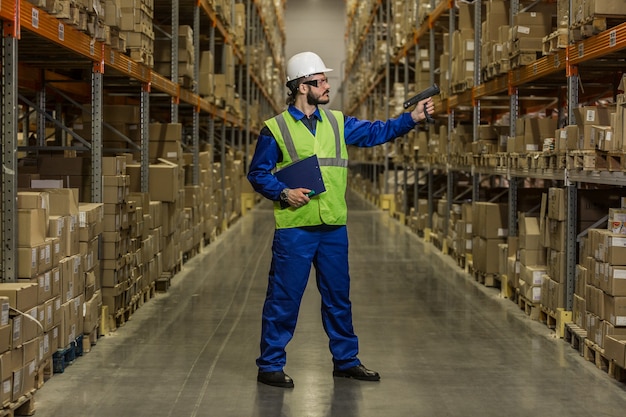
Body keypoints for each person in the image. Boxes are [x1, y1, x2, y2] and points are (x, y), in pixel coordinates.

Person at [247, 51, 435, 388]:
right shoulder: (274, 128)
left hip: (333, 226)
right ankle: (270, 365)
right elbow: (258, 173)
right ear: (302, 87)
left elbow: (377, 132)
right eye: (320, 81)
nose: (327, 86)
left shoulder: (337, 122)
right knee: (284, 297)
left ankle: (346, 361)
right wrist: (283, 193)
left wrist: (412, 118)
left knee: (338, 297)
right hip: (296, 227)